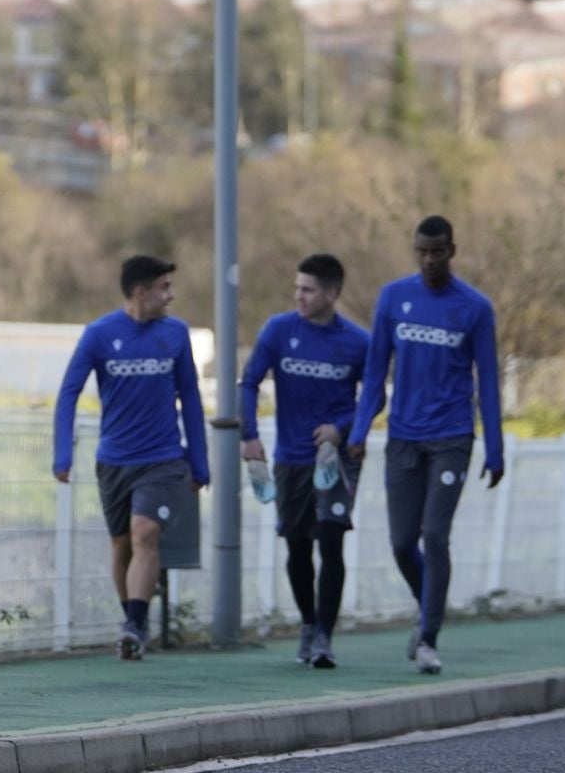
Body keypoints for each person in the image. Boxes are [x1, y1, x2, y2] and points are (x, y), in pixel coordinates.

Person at [348, 215, 504, 676]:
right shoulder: (393, 298)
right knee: (402, 542)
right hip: (404, 436)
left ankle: (429, 638)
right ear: (414, 251)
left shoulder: (475, 307)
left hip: (452, 436)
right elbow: (375, 371)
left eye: (438, 252)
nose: (430, 260)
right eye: (422, 252)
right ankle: (428, 607)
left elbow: (488, 381)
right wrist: (359, 430)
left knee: (434, 534)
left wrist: (495, 448)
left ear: (451, 251)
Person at [52, 255, 209, 661]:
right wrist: (62, 454)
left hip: (163, 459)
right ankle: (131, 624)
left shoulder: (176, 333)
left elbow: (191, 398)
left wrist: (199, 461)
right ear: (141, 291)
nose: (171, 295)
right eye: (164, 287)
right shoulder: (99, 334)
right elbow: (68, 393)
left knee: (144, 532)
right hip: (114, 460)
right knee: (122, 543)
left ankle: (136, 624)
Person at [240, 254, 375, 669]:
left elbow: (375, 397)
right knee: (298, 547)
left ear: (331, 294)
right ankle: (308, 621)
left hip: (335, 458)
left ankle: (324, 638)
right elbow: (249, 383)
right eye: (297, 288)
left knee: (331, 539)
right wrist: (249, 436)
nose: (299, 296)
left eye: (308, 290)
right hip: (291, 458)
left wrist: (342, 428)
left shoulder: (358, 342)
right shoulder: (279, 330)